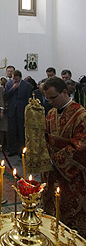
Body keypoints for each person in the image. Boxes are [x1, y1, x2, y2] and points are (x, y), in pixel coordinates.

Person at [42, 77, 86, 237]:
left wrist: (55, 159)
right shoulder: (51, 114)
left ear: (65, 92)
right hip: (51, 175)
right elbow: (45, 138)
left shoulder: (81, 115)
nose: (49, 101)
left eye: (52, 97)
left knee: (69, 223)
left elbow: (81, 146)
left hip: (71, 179)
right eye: (47, 98)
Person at [5, 69, 33, 156]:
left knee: (21, 131)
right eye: (13, 79)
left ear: (20, 78)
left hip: (22, 110)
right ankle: (12, 149)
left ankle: (22, 151)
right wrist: (13, 89)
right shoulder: (9, 84)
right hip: (12, 110)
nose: (15, 80)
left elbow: (29, 99)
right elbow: (6, 96)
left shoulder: (27, 85)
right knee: (12, 131)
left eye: (16, 79)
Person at [0, 76, 9, 151]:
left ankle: (7, 145)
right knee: (1, 130)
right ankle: (0, 145)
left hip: (6, 112)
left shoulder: (6, 91)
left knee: (6, 130)